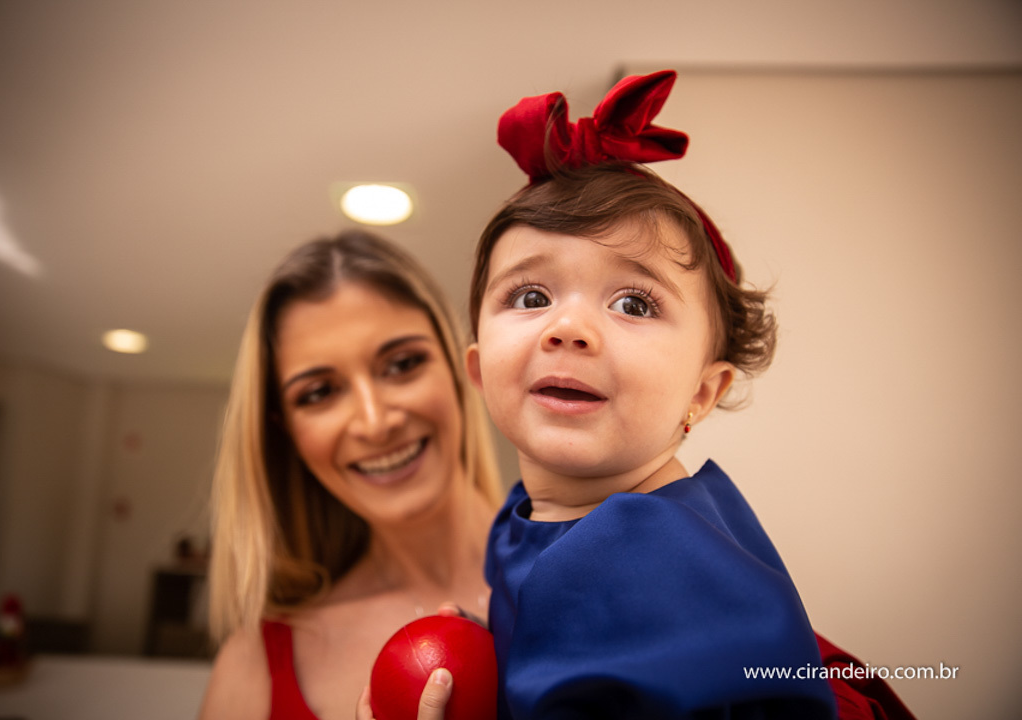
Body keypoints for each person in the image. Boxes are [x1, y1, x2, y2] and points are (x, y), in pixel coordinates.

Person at [465, 70, 914, 719]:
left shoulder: (650, 557)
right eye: (531, 296)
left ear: (702, 393)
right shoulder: (528, 515)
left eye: (633, 303)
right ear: (480, 371)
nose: (568, 328)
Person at [198, 230, 502, 720]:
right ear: (285, 431)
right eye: (319, 392)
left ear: (458, 365)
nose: (375, 422)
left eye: (402, 364)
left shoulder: (606, 571)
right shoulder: (252, 666)